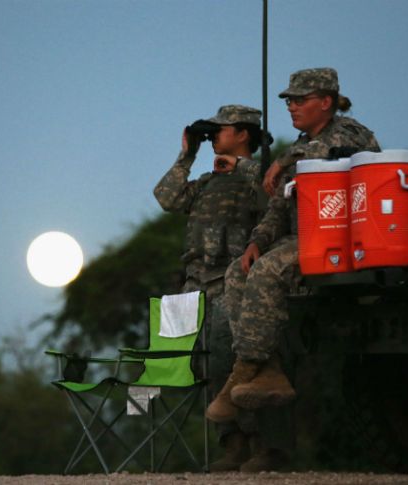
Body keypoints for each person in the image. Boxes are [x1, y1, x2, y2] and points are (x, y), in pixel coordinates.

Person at [205, 68, 381, 469]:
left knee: (267, 273)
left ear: (327, 101)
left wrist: (282, 160)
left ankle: (244, 373)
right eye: (288, 100)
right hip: (300, 239)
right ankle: (265, 369)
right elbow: (279, 208)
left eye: (300, 99)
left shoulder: (351, 134)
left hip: (338, 239)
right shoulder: (301, 147)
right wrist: (256, 242)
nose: (291, 106)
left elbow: (323, 156)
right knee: (240, 271)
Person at [153, 105, 271, 472]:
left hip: (233, 283)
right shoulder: (206, 182)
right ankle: (232, 444)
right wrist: (187, 155)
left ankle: (263, 446)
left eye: (223, 129)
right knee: (208, 363)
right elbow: (167, 197)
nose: (216, 135)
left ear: (244, 134)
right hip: (197, 283)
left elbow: (278, 191)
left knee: (239, 362)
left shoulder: (261, 176)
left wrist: (243, 168)